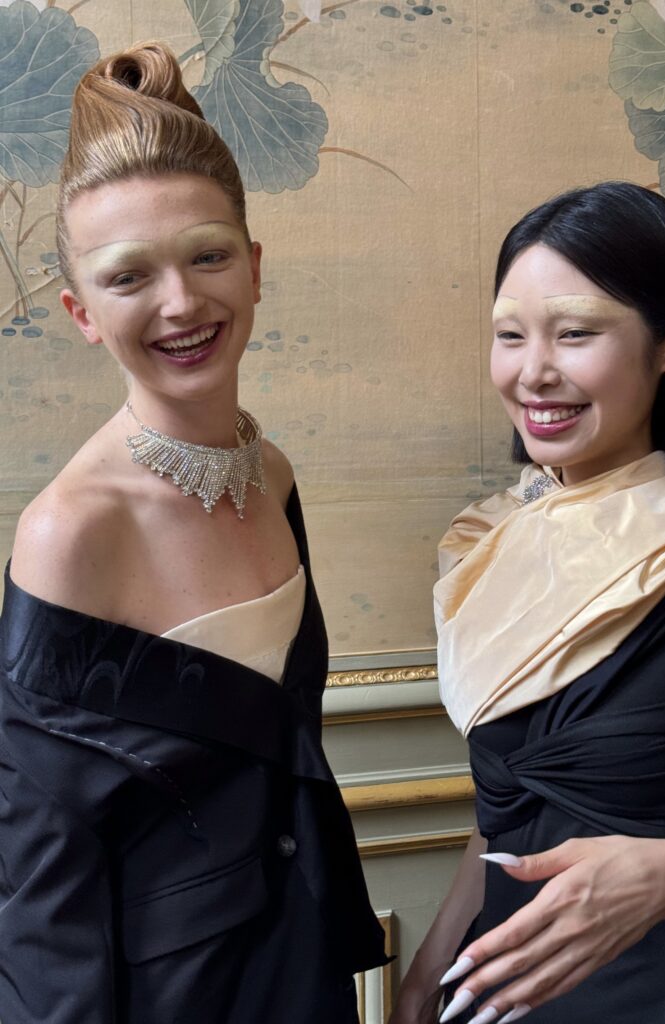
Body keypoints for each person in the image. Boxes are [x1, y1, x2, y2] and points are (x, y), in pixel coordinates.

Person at [0, 41, 386, 1024]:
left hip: (306, 974)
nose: (181, 303)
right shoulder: (68, 534)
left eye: (208, 256)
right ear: (83, 312)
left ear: (254, 269)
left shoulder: (275, 475)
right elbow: (42, 892)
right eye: (129, 277)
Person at [390, 182, 665, 1024]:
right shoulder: (491, 543)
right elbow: (509, 813)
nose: (533, 371)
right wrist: (427, 975)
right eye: (510, 335)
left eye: (575, 333)